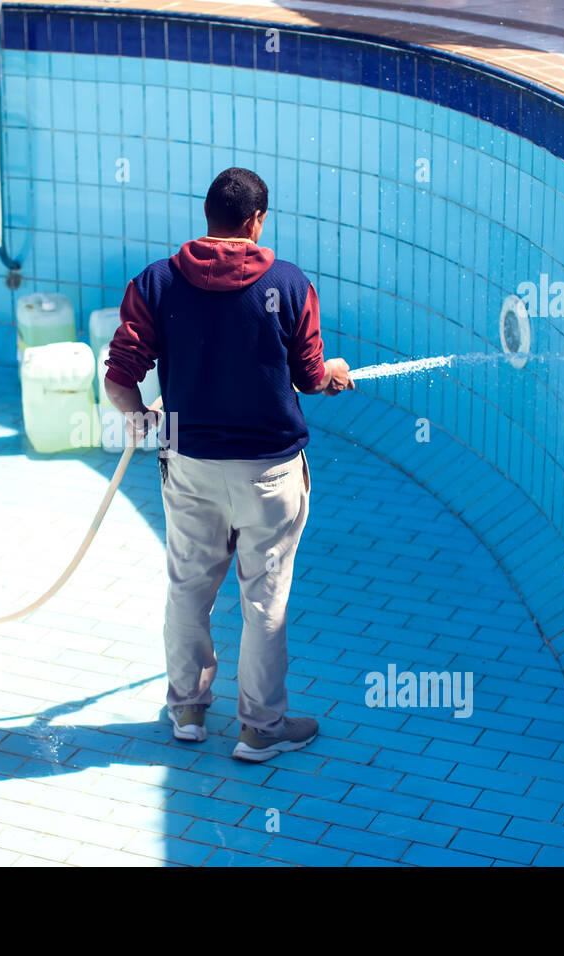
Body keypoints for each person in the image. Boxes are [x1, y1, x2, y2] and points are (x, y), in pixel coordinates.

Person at [102, 167, 355, 763]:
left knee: (188, 586)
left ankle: (188, 710)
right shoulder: (291, 285)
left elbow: (118, 378)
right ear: (257, 219)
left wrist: (141, 415)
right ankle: (259, 729)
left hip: (189, 463)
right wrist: (334, 376)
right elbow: (312, 377)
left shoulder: (158, 282)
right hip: (269, 470)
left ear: (208, 214)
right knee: (264, 597)